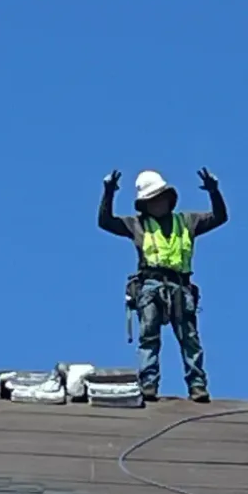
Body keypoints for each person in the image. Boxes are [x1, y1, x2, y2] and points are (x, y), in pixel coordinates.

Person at [98, 167, 227, 402]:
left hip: (180, 287)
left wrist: (214, 192)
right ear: (145, 205)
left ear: (169, 199)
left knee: (189, 338)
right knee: (149, 337)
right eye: (152, 200)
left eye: (160, 198)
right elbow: (105, 222)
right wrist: (108, 193)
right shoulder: (137, 224)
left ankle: (197, 385)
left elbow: (219, 217)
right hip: (150, 285)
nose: (157, 203)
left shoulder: (187, 222)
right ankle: (148, 383)